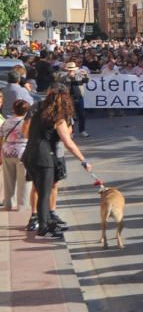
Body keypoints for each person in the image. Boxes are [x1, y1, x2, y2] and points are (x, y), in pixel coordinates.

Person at [21, 87, 92, 239]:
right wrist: (83, 159)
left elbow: (26, 131)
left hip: (29, 155)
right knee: (44, 194)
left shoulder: (39, 112)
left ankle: (48, 222)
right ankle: (44, 228)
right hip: (44, 158)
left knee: (41, 191)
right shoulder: (58, 118)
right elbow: (68, 142)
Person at [1, 99, 31, 211]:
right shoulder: (28, 122)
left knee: (8, 179)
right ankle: (22, 206)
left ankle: (8, 203)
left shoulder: (7, 121)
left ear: (13, 109)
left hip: (7, 151)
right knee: (24, 181)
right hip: (23, 152)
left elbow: (1, 135)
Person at [61, 61, 90, 137]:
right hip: (69, 98)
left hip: (79, 97)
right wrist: (69, 77)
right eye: (70, 70)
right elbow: (61, 86)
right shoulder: (64, 78)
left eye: (73, 69)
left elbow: (86, 81)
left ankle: (82, 130)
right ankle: (71, 131)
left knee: (82, 115)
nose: (71, 71)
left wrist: (86, 75)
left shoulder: (79, 76)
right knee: (71, 116)